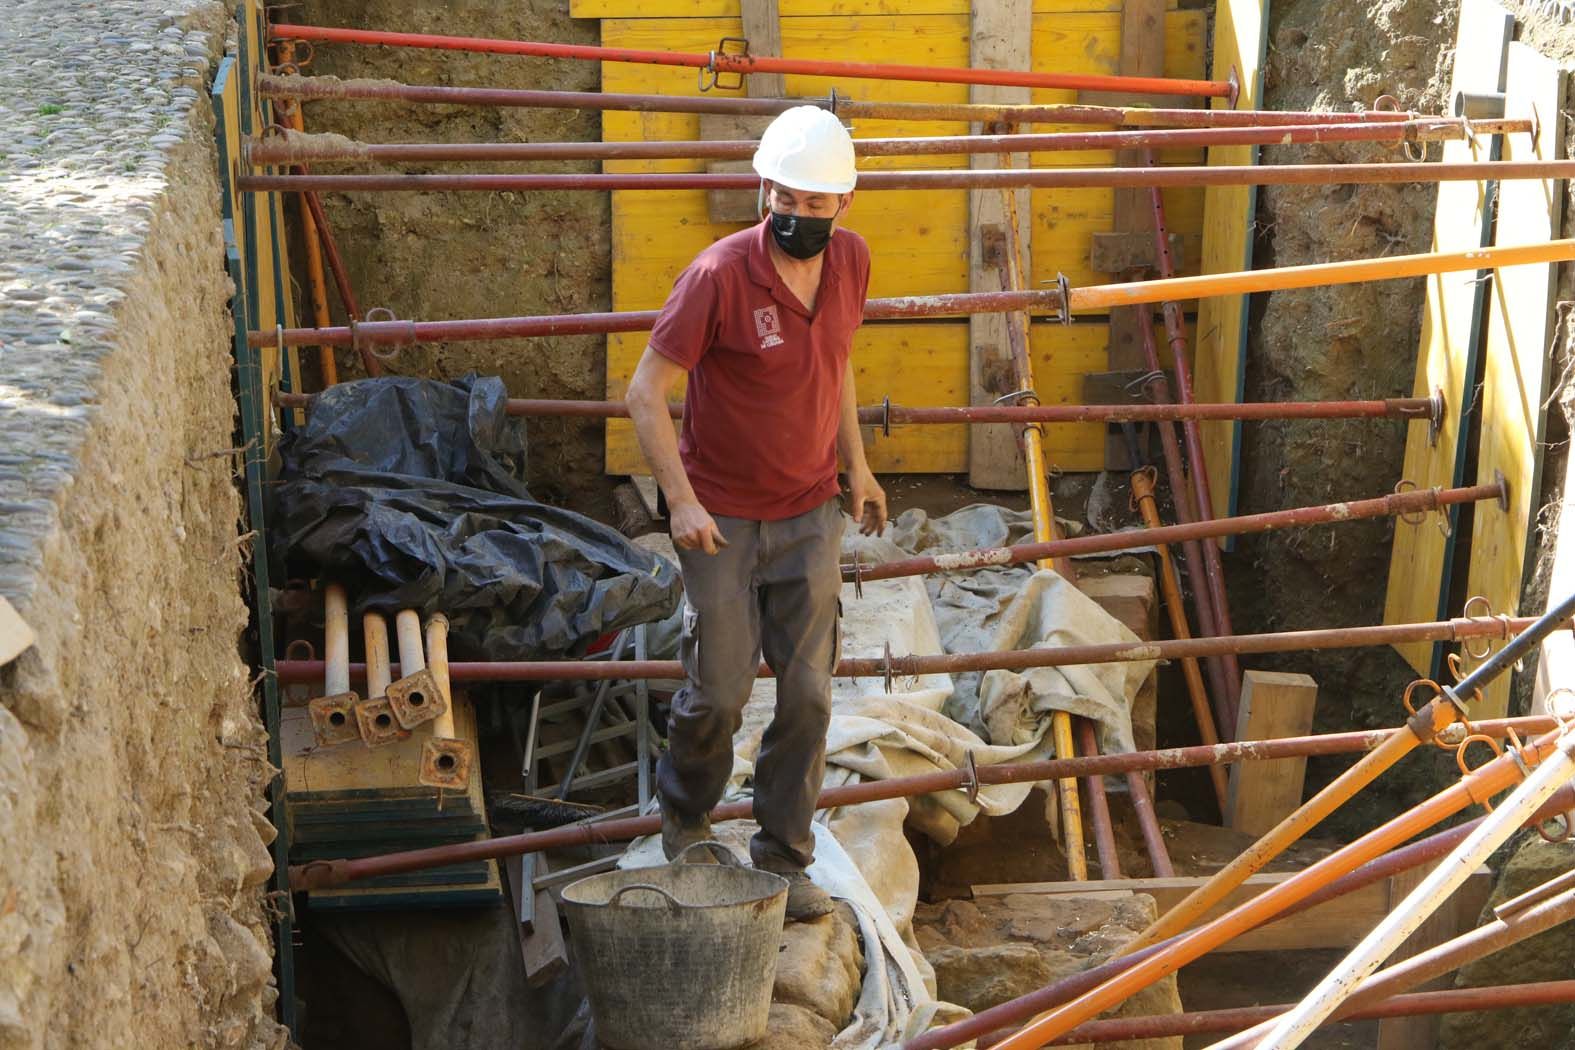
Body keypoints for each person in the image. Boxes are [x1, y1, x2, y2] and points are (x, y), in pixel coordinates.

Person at [625, 106, 888, 921]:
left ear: (844, 203)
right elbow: (644, 393)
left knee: (809, 696)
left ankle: (782, 855)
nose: (800, 215)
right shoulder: (717, 275)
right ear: (762, 187)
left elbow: (837, 363)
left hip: (810, 512)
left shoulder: (851, 262)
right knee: (720, 693)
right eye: (787, 196)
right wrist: (681, 502)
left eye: (817, 203)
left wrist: (858, 466)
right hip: (724, 518)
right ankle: (688, 814)